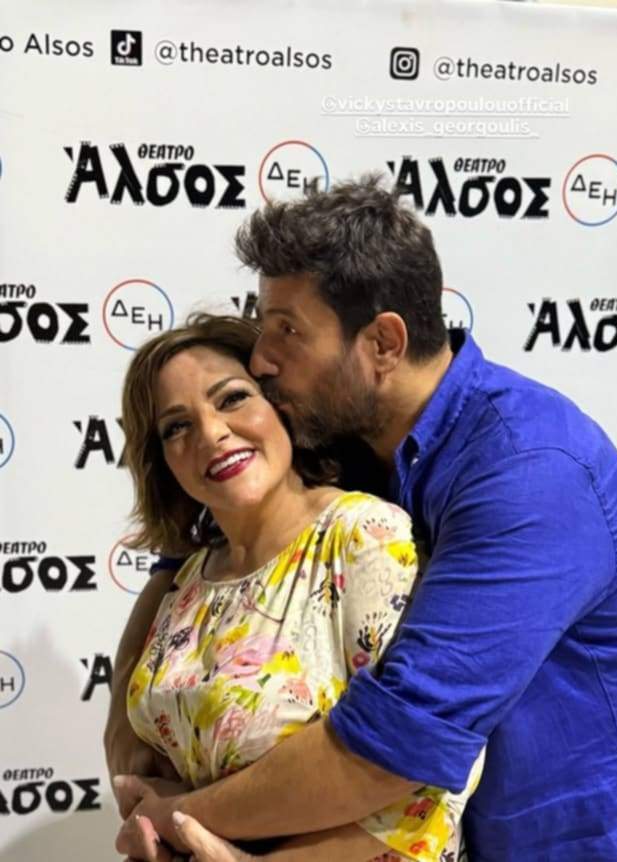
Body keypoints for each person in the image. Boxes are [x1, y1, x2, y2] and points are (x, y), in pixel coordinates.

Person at [109, 175, 617, 862]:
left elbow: (398, 740)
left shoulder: (531, 471)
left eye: (288, 332)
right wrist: (124, 721)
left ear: (384, 342)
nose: (263, 360)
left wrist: (175, 819)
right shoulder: (351, 436)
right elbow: (187, 554)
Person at [111, 312, 484, 862]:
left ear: (282, 406)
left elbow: (432, 786)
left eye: (232, 399)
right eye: (177, 426)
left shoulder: (362, 537)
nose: (211, 433)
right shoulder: (187, 580)